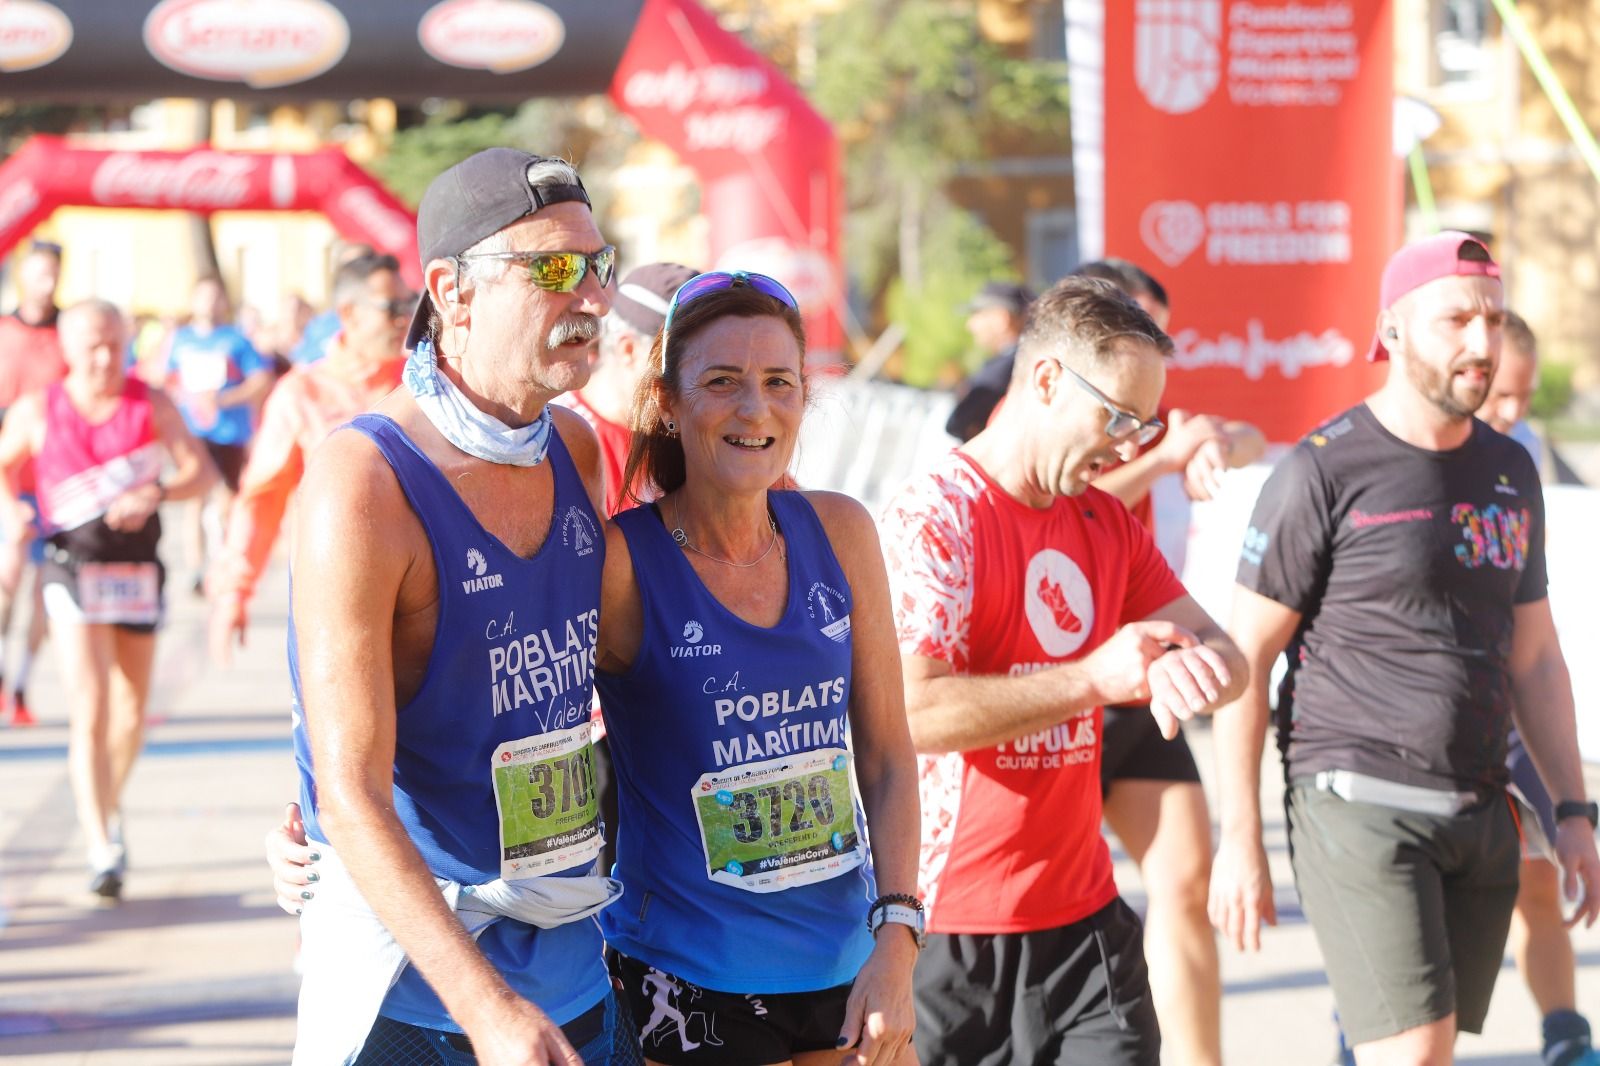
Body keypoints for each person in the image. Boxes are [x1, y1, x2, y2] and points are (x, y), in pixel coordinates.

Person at [270, 148, 637, 1064]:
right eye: (553, 269)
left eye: (599, 265)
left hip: (570, 951)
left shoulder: (578, 450)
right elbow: (352, 792)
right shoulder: (363, 484)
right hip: (419, 990)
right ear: (453, 291)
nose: (590, 296)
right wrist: (486, 1010)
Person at [1209, 232, 1600, 1066]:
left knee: (1421, 1045)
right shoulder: (1320, 472)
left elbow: (1535, 655)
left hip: (1475, 801)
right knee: (1416, 1048)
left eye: (1493, 319)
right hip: (1355, 795)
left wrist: (1573, 810)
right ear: (1390, 331)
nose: (1482, 342)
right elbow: (1245, 662)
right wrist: (1239, 840)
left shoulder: (1509, 468)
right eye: (1456, 318)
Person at [880, 276, 1247, 1065]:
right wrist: (1093, 679)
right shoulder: (934, 516)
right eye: (1117, 417)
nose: (1131, 445)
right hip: (948, 931)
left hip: (1083, 925)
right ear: (1045, 380)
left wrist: (1198, 670)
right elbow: (917, 713)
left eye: (1145, 426)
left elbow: (1229, 655)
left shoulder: (1104, 519)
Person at [595, 271, 920, 1065]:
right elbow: (496, 694)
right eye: (721, 382)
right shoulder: (619, 563)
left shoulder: (840, 532)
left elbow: (884, 755)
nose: (755, 409)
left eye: (780, 382)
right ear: (666, 402)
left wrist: (898, 939)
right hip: (687, 983)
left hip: (849, 970)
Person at [1065, 258, 1263, 1066]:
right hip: (1054, 689)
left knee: (1185, 880)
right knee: (1061, 906)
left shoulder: (1156, 413)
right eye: (1131, 322)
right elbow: (1072, 505)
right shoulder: (1041, 411)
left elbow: (1244, 437)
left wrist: (1210, 438)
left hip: (1148, 678)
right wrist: (1167, 453)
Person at [0, 299, 213, 899]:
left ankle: (105, 802)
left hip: (138, 570)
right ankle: (102, 844)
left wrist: (156, 494)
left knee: (129, 714)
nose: (103, 358)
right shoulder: (40, 408)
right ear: (66, 350)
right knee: (90, 709)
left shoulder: (151, 402)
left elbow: (200, 475)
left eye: (114, 345)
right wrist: (15, 508)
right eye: (91, 346)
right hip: (71, 569)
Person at [1474, 312, 1598, 1066]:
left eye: (1524, 397)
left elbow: (1533, 614)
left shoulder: (1522, 455)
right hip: (1423, 723)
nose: (1514, 414)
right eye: (1501, 396)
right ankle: (1359, 1031)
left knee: (1536, 886)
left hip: (1513, 705)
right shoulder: (1407, 451)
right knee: (1424, 906)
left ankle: (1565, 1034)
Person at [207, 253, 409, 664]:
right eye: (392, 308)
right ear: (349, 314)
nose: (405, 318)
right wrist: (234, 591)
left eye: (410, 305)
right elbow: (261, 499)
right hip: (333, 602)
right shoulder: (302, 393)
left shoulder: (424, 384)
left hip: (424, 597)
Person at [555, 261, 697, 518]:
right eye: (682, 362)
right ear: (628, 350)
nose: (696, 381)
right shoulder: (558, 442)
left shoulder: (690, 433)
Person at [164, 276, 274, 592]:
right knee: (194, 500)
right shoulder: (180, 340)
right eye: (203, 296)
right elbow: (166, 379)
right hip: (193, 431)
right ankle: (197, 570)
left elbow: (260, 379)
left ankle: (221, 559)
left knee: (227, 501)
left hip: (229, 432)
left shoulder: (236, 340)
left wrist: (225, 398)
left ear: (224, 302)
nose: (209, 303)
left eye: (216, 297)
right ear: (193, 300)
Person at [0, 241, 68, 725]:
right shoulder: (3, 331)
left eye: (53, 275)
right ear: (23, 275)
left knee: (44, 593)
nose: (46, 284)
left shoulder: (70, 334)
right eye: (38, 274)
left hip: (53, 485)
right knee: (6, 582)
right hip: (5, 476)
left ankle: (21, 686)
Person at [943, 281, 1032, 442]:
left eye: (977, 314)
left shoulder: (1005, 367)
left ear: (1001, 319)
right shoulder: (1034, 355)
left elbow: (957, 423)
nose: (970, 325)